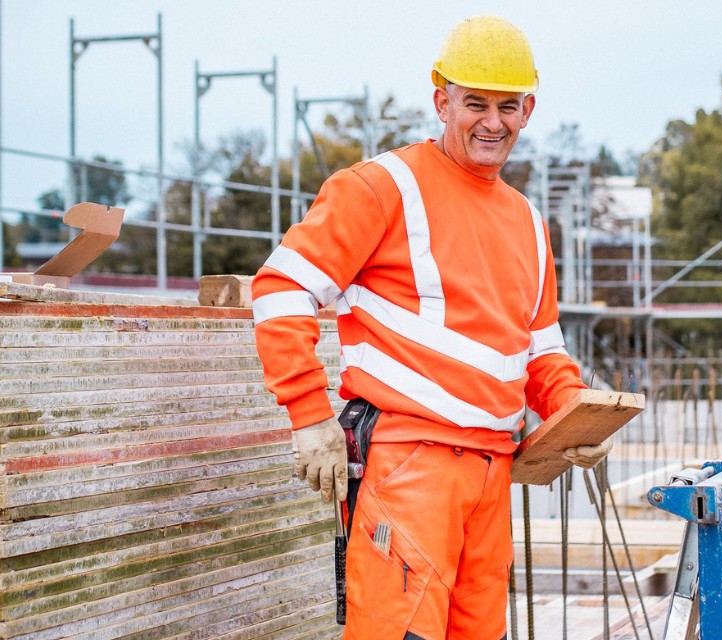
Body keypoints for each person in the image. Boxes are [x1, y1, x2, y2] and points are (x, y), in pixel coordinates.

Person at [252, 14, 612, 640]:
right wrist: (309, 416)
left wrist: (574, 411)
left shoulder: (528, 222)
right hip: (409, 466)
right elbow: (282, 289)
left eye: (508, 106)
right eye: (475, 103)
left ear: (528, 109)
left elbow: (540, 352)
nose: (492, 122)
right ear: (442, 99)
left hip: (491, 473)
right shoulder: (379, 187)